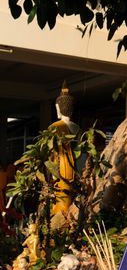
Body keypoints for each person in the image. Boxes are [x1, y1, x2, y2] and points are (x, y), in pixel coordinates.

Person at [50, 82, 79, 217]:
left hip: (61, 165)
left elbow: (52, 149)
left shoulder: (55, 126)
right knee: (70, 195)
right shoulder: (76, 127)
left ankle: (62, 220)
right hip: (75, 164)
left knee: (61, 197)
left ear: (59, 108)